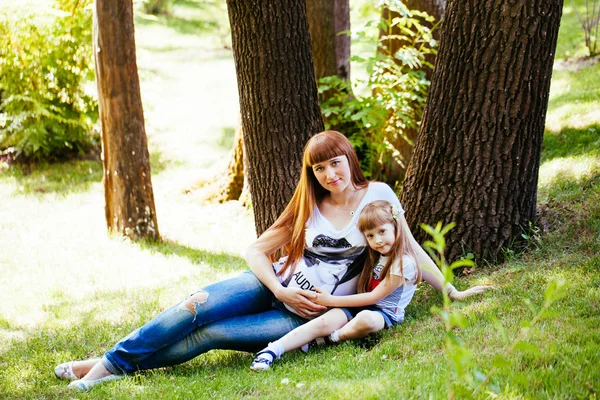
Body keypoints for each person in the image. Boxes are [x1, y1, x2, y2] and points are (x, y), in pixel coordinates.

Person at [55, 130, 488, 390]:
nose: (328, 175)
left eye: (334, 164)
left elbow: (408, 248)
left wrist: (452, 290)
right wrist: (279, 287)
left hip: (305, 315)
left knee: (210, 335)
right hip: (270, 285)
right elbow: (255, 251)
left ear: (348, 160)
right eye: (319, 169)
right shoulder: (308, 203)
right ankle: (109, 366)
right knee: (195, 307)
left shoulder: (379, 197)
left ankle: (102, 367)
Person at [250, 200, 421, 371]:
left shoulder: (404, 263)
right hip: (360, 305)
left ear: (396, 227)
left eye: (382, 231)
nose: (377, 240)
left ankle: (329, 339)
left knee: (366, 320)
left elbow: (375, 297)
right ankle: (271, 351)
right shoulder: (375, 255)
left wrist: (331, 300)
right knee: (324, 322)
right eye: (370, 236)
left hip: (385, 314)